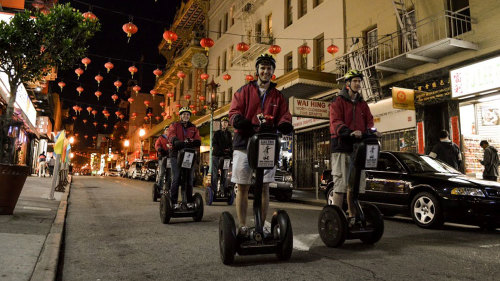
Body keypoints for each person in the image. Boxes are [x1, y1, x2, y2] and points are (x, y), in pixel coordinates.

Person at [229, 54, 293, 237]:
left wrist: (284, 124)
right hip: (244, 142)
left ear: (273, 72)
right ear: (257, 70)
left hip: (267, 143)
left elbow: (284, 115)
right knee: (242, 186)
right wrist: (238, 120)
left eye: (269, 68)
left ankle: (261, 225)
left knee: (265, 186)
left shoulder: (278, 96)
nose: (265, 71)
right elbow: (233, 111)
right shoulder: (244, 91)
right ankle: (242, 226)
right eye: (262, 68)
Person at [329, 69, 380, 225]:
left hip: (359, 149)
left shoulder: (363, 104)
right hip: (342, 147)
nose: (358, 84)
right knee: (340, 185)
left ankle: (352, 216)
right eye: (355, 81)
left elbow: (370, 122)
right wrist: (349, 132)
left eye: (359, 81)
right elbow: (335, 122)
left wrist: (373, 132)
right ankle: (334, 219)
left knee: (355, 185)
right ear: (348, 84)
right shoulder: (338, 101)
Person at [167, 107, 201, 207]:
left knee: (189, 178)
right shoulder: (174, 125)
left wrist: (193, 142)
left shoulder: (193, 127)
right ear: (180, 116)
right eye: (184, 114)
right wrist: (176, 141)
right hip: (175, 154)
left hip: (188, 155)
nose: (186, 116)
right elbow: (171, 135)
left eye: (188, 115)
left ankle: (189, 201)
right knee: (176, 177)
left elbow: (198, 139)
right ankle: (173, 202)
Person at [211, 116, 233, 194]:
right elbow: (214, 144)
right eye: (223, 122)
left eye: (226, 122)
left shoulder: (229, 134)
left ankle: (223, 190)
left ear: (227, 124)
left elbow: (231, 145)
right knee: (215, 174)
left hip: (226, 157)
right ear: (221, 123)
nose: (224, 124)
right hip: (216, 156)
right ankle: (214, 191)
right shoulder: (217, 133)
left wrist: (229, 151)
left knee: (225, 174)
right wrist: (222, 151)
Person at [155, 125, 171, 191]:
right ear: (164, 131)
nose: (168, 131)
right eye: (167, 130)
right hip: (162, 157)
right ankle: (160, 188)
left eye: (169, 130)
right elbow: (157, 145)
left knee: (169, 174)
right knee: (161, 173)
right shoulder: (161, 138)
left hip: (170, 158)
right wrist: (159, 149)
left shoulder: (172, 138)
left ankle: (167, 188)